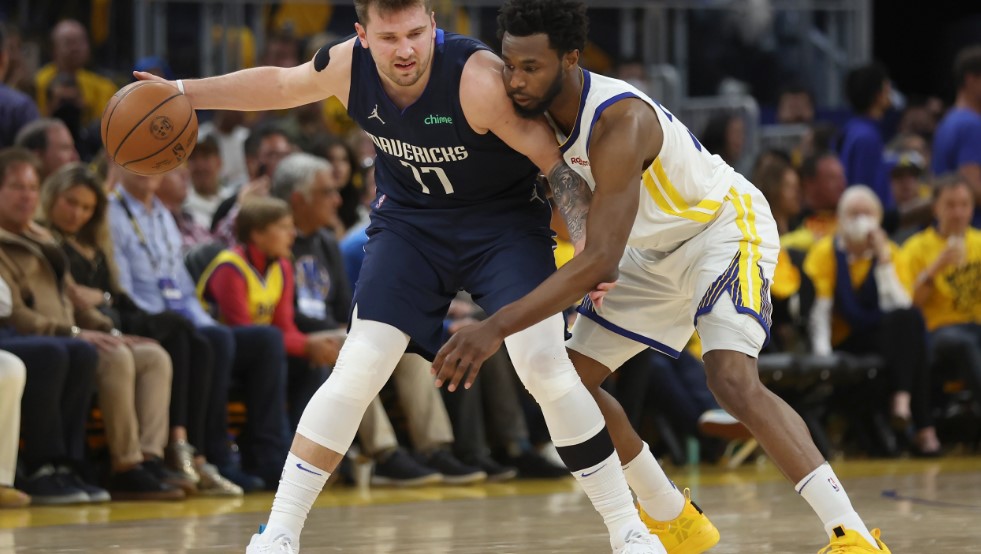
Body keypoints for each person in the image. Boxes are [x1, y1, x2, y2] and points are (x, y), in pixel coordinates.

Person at [135, 1, 675, 552]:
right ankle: (278, 534)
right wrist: (181, 90)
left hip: (502, 229)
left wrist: (584, 242)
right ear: (362, 35)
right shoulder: (346, 66)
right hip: (411, 228)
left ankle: (627, 529)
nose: (406, 50)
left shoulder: (477, 79)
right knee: (359, 366)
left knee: (544, 367)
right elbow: (279, 84)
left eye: (417, 33)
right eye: (390, 37)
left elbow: (556, 168)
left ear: (433, 25)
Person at [434, 2, 891, 552]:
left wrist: (494, 327)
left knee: (729, 378)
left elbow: (601, 261)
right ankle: (672, 515)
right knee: (564, 383)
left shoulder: (620, 121)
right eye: (510, 65)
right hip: (648, 251)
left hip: (720, 229)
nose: (515, 80)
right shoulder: (531, 112)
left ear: (571, 58)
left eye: (531, 67)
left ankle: (852, 534)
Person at [38, 163, 241, 496]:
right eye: (71, 203)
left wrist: (105, 307)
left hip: (110, 319)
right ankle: (127, 463)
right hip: (86, 327)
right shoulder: (47, 241)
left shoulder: (94, 241)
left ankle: (155, 457)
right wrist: (106, 323)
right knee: (151, 342)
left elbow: (110, 294)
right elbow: (73, 299)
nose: (78, 214)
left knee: (169, 352)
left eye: (86, 207)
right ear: (51, 197)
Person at [803, 186, 938, 456]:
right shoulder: (825, 252)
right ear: (840, 219)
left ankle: (902, 401)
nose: (861, 220)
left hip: (883, 337)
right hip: (845, 339)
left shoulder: (891, 252)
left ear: (878, 219)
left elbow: (900, 306)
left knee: (910, 318)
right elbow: (819, 310)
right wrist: (823, 358)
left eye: (867, 213)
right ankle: (922, 427)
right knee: (914, 344)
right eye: (854, 214)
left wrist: (883, 259)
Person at [931, 46, 981, 227]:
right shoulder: (971, 125)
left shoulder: (948, 121)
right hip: (970, 231)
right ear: (971, 80)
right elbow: (973, 187)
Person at [838, 63, 892, 206]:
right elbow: (863, 191)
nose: (890, 91)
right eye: (887, 87)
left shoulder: (853, 128)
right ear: (878, 95)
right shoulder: (866, 137)